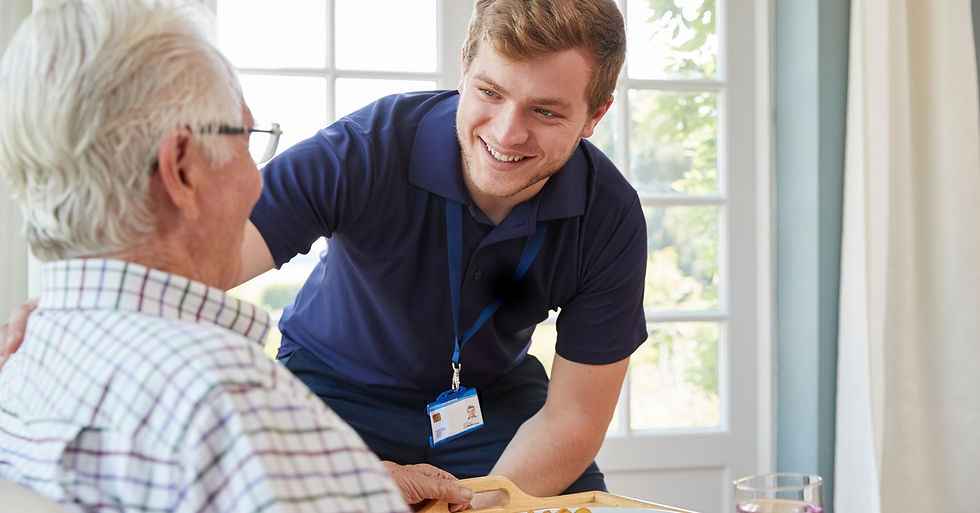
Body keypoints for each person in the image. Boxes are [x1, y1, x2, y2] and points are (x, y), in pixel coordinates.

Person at [2, 0, 647, 501]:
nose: (506, 132)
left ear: (595, 116)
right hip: (336, 386)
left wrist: (485, 504)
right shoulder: (366, 148)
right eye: (489, 92)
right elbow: (198, 249)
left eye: (547, 112)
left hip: (488, 402)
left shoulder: (611, 214)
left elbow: (573, 415)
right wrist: (71, 310)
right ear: (464, 67)